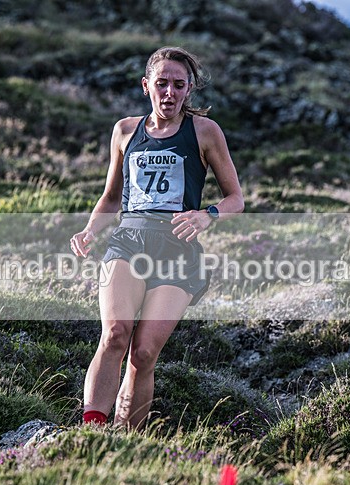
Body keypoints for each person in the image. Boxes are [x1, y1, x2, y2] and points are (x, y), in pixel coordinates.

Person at [69, 46, 244, 429]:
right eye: (161, 84)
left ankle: (124, 439)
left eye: (178, 85)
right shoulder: (125, 131)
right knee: (115, 334)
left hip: (177, 252)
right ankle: (93, 431)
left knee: (144, 353)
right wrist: (89, 231)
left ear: (190, 88)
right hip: (128, 241)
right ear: (146, 85)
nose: (169, 93)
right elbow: (112, 198)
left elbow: (236, 198)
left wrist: (206, 215)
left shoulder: (205, 132)